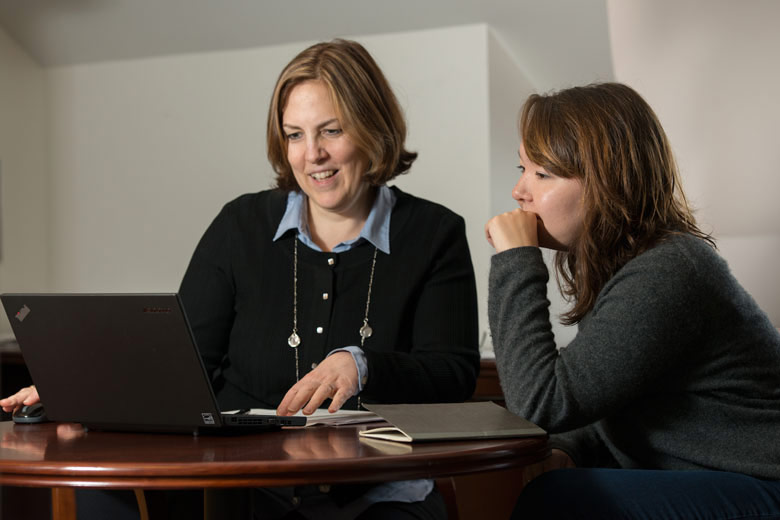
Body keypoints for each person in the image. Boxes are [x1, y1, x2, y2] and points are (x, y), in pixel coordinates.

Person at [2, 39, 480, 519]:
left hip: (374, 494)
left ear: (374, 128)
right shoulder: (240, 225)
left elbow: (453, 376)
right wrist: (90, 385)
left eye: (331, 131)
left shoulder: (435, 233)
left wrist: (363, 365)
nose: (311, 154)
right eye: (294, 135)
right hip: (242, 491)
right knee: (103, 487)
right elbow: (182, 359)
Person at [484, 82, 780, 519]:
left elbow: (541, 402)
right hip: (706, 476)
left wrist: (516, 260)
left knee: (559, 499)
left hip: (763, 484)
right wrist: (567, 448)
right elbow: (613, 401)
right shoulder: (627, 266)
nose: (519, 191)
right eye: (522, 168)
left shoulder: (668, 269)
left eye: (542, 174)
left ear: (606, 182)